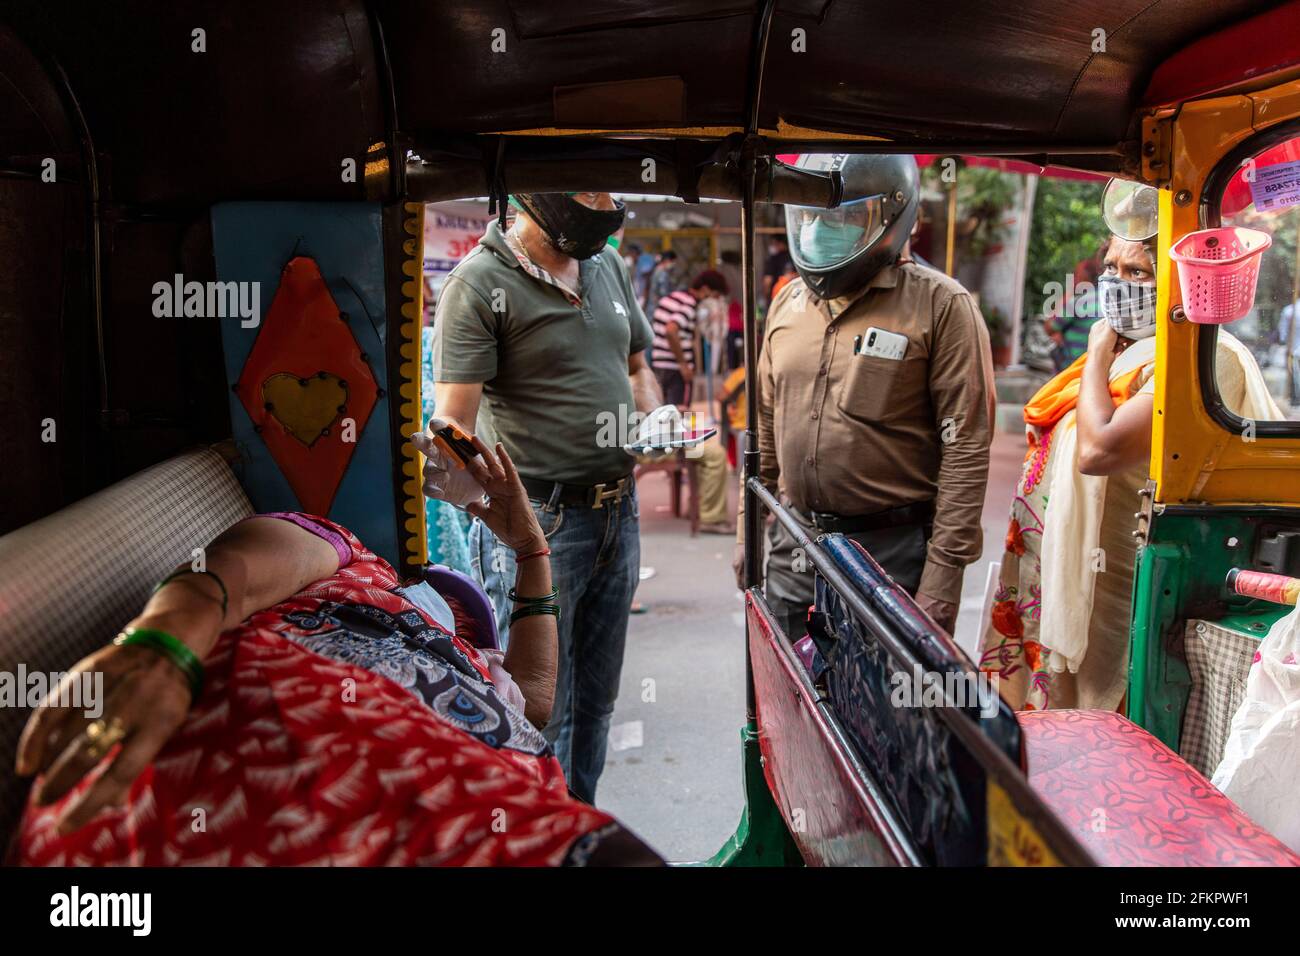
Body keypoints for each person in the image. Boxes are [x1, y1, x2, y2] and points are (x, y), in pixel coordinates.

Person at [10, 441, 661, 865]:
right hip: (254, 739)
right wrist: (164, 643)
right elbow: (234, 565)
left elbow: (536, 699)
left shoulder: (481, 689)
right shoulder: (354, 565)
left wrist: (529, 546)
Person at [979, 232, 1283, 711]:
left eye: (1137, 272)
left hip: (1128, 581)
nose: (1116, 283)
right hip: (1066, 571)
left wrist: (1098, 351)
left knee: (1108, 724)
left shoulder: (1206, 356)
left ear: (1181, 285)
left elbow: (1099, 450)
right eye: (1111, 268)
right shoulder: (1130, 350)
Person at [431, 191, 664, 803]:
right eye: (588, 189)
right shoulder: (479, 284)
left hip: (621, 511)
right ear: (537, 193)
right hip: (541, 523)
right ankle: (534, 835)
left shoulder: (605, 264)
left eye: (607, 191)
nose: (603, 202)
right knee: (539, 709)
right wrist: (478, 499)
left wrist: (657, 417)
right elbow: (453, 422)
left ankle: (578, 825)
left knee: (596, 704)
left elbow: (638, 366)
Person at [735, 153, 994, 638]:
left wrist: (942, 582)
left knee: (884, 710)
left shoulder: (942, 306)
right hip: (794, 544)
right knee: (791, 704)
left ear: (894, 216)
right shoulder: (787, 302)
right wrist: (748, 533)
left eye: (845, 215)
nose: (819, 228)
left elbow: (966, 450)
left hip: (890, 555)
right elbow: (766, 431)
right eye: (810, 215)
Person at [651, 270, 728, 408]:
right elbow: (671, 329)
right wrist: (683, 365)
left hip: (659, 366)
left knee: (663, 414)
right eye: (714, 296)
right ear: (704, 289)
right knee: (681, 413)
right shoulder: (689, 304)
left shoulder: (672, 297)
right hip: (676, 371)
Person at [1045, 240, 1109, 370]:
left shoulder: (1077, 303)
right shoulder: (1109, 299)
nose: (1074, 278)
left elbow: (1049, 327)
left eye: (1076, 275)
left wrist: (1068, 292)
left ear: (1083, 278)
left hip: (1074, 368)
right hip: (1101, 367)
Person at [761, 234, 791, 308]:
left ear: (780, 243)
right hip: (792, 298)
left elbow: (767, 280)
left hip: (777, 297)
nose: (772, 246)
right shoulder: (795, 258)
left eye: (773, 243)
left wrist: (765, 297)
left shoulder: (773, 259)